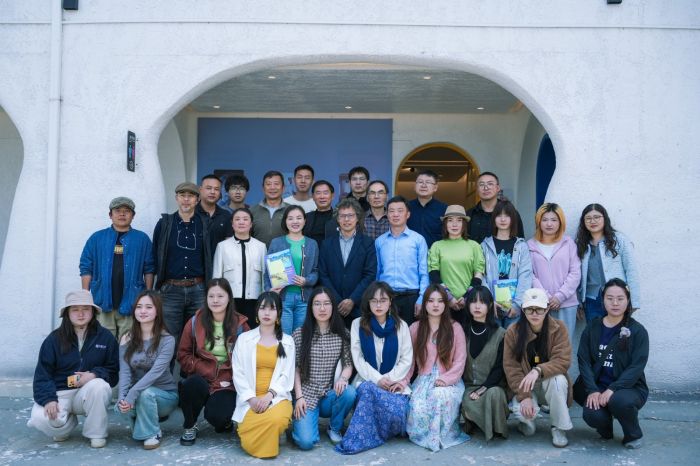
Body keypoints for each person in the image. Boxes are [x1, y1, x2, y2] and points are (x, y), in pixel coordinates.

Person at [27, 290, 118, 448]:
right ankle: (64, 426)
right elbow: (43, 375)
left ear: (93, 312)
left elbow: (113, 371)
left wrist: (94, 375)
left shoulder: (105, 337)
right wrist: (49, 399)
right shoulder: (54, 339)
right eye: (75, 309)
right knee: (39, 418)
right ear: (67, 313)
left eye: (86, 309)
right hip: (60, 393)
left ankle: (96, 434)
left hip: (88, 392)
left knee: (100, 386)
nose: (81, 314)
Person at [335, 281, 414, 454]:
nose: (378, 305)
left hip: (394, 383)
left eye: (383, 300)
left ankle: (375, 431)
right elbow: (358, 358)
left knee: (397, 411)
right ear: (368, 303)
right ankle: (363, 437)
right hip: (367, 381)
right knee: (368, 391)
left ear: (390, 302)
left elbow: (406, 359)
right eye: (374, 301)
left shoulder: (401, 325)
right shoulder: (357, 324)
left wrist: (388, 379)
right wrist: (378, 380)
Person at [576, 278, 649, 449]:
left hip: (629, 388)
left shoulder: (637, 331)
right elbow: (583, 360)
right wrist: (593, 390)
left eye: (620, 298)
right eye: (610, 298)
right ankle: (605, 428)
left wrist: (613, 389)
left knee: (619, 401)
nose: (615, 303)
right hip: (599, 386)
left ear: (628, 301)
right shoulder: (593, 327)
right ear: (603, 300)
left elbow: (637, 366)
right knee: (591, 413)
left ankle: (633, 435)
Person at [176, 278, 249, 445]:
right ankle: (190, 425)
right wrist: (201, 368)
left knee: (218, 417)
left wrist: (230, 377)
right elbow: (183, 354)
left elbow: (248, 359)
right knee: (190, 385)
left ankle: (225, 421)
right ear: (206, 298)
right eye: (211, 296)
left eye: (220, 296)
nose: (215, 300)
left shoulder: (240, 325)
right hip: (201, 376)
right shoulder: (195, 322)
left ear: (229, 298)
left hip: (227, 382)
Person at [503, 288, 573, 448]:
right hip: (525, 385)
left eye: (539, 309)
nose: (534, 314)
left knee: (558, 380)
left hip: (549, 382)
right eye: (530, 309)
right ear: (523, 310)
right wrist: (524, 397)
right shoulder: (513, 331)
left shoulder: (559, 328)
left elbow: (563, 360)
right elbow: (511, 368)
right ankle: (525, 422)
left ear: (547, 309)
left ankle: (559, 427)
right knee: (527, 424)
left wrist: (538, 370)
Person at [403, 284, 469, 451]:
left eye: (440, 301)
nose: (435, 305)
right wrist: (403, 382)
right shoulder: (415, 328)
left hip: (450, 380)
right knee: (418, 407)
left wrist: (446, 379)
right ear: (424, 303)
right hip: (423, 381)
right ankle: (426, 438)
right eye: (431, 301)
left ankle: (441, 437)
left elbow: (460, 360)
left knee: (440, 396)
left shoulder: (455, 328)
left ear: (446, 304)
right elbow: (408, 361)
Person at [79, 196, 155, 339]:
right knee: (103, 343)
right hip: (102, 301)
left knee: (128, 343)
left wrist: (148, 293)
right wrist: (85, 295)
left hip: (131, 301)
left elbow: (149, 268)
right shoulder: (97, 238)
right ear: (110, 215)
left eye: (126, 211)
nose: (122, 214)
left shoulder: (142, 239)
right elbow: (86, 266)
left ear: (133, 215)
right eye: (118, 211)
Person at [291, 287, 356, 449]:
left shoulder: (342, 334)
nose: (322, 308)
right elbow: (295, 370)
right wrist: (299, 397)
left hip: (329, 395)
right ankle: (300, 425)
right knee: (306, 442)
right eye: (317, 304)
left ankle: (334, 427)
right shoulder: (299, 334)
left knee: (349, 392)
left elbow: (348, 364)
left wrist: (343, 378)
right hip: (306, 396)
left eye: (327, 303)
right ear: (310, 307)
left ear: (333, 306)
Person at [232, 292, 295, 459]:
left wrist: (269, 396)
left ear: (279, 313)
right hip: (250, 399)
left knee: (276, 419)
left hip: (277, 397)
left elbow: (286, 375)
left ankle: (274, 431)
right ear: (257, 312)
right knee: (249, 431)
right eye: (263, 308)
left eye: (272, 309)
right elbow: (238, 373)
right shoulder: (244, 339)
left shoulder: (287, 341)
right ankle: (270, 434)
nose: (267, 313)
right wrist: (251, 398)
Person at [116, 291, 178, 450]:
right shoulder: (126, 338)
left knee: (146, 394)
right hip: (137, 394)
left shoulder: (167, 340)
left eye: (149, 307)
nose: (143, 311)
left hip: (164, 396)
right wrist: (122, 398)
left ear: (157, 311)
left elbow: (155, 373)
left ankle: (152, 433)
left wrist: (131, 394)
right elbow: (125, 372)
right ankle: (143, 425)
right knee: (120, 406)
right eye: (139, 307)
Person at [153, 182, 213, 343]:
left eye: (190, 196)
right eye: (182, 195)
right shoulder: (164, 224)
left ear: (197, 200)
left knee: (198, 337)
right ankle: (171, 362)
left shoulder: (205, 224)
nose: (186, 199)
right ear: (176, 198)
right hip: (170, 290)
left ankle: (193, 362)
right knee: (169, 338)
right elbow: (155, 254)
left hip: (198, 289)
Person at [575, 204, 640, 322]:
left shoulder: (619, 240)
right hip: (591, 300)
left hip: (616, 299)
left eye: (597, 217)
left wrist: (634, 301)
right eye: (588, 218)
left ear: (604, 218)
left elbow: (631, 270)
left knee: (618, 333)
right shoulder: (581, 244)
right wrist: (578, 302)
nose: (592, 221)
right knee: (595, 333)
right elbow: (576, 276)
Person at [319, 198, 377, 328]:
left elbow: (370, 274)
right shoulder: (327, 244)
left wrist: (352, 300)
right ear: (337, 219)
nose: (346, 219)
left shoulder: (368, 243)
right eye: (342, 216)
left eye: (350, 215)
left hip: (359, 306)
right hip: (333, 306)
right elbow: (323, 275)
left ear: (357, 218)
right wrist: (338, 301)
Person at [460, 286, 509, 441]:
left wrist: (484, 388)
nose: (477, 306)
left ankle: (485, 423)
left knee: (494, 395)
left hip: (492, 386)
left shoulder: (501, 333)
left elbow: (500, 367)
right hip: (468, 387)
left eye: (482, 302)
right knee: (465, 400)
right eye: (473, 302)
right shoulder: (462, 331)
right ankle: (475, 419)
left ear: (490, 305)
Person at [527, 203, 581, 343]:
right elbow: (530, 274)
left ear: (560, 222)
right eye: (545, 220)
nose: (549, 224)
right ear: (538, 222)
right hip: (540, 305)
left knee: (564, 345)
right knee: (542, 344)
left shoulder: (568, 243)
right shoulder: (530, 245)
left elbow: (575, 272)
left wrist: (559, 296)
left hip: (567, 303)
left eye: (554, 220)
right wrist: (545, 297)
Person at [265, 205, 319, 335]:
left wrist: (306, 280)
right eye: (290, 218)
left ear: (305, 221)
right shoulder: (276, 243)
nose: (295, 221)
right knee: (284, 336)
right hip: (283, 298)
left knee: (301, 337)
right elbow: (267, 272)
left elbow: (316, 271)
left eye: (299, 218)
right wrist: (269, 290)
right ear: (285, 221)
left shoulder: (312, 244)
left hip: (304, 298)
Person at [375, 196, 429, 325]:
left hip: (411, 297)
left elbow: (424, 272)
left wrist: (422, 299)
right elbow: (377, 272)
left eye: (400, 210)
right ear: (387, 214)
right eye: (391, 211)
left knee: (410, 335)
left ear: (408, 214)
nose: (395, 214)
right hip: (386, 297)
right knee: (386, 334)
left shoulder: (418, 240)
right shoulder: (379, 241)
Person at [428, 204, 484, 325]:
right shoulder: (437, 246)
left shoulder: (474, 246)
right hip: (442, 302)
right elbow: (433, 273)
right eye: (450, 220)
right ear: (445, 224)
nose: (454, 224)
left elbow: (479, 273)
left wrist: (467, 297)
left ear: (464, 224)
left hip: (469, 302)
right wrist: (449, 298)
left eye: (459, 220)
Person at [482, 200, 533, 328]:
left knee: (513, 339)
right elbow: (481, 275)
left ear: (513, 219)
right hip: (492, 305)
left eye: (507, 216)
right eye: (499, 215)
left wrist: (517, 304)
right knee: (493, 339)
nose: (503, 219)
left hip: (514, 306)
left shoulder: (521, 246)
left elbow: (525, 275)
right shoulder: (484, 246)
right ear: (494, 219)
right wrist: (489, 302)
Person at [212, 207, 267, 326]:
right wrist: (218, 298)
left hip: (254, 299)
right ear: (232, 224)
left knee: (252, 331)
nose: (241, 222)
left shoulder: (261, 247)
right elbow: (216, 276)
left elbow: (264, 276)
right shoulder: (222, 246)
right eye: (237, 219)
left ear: (251, 224)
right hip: (230, 299)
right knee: (230, 330)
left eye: (245, 219)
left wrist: (264, 299)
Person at [466, 172, 524, 243]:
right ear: (477, 189)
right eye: (481, 184)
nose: (486, 188)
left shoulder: (511, 213)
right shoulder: (469, 214)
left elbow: (519, 241)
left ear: (498, 188)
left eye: (490, 184)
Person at [407, 170, 448, 248]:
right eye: (420, 182)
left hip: (435, 253)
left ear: (435, 188)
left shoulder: (444, 209)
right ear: (415, 186)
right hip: (410, 251)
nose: (423, 185)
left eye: (428, 182)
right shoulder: (406, 207)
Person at [250, 170, 290, 247]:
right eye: (268, 184)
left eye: (276, 184)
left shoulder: (291, 210)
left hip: (284, 253)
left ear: (283, 188)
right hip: (258, 253)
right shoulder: (252, 211)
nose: (272, 187)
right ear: (263, 188)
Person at [196, 174, 234, 255]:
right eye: (208, 188)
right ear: (200, 190)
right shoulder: (190, 213)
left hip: (218, 261)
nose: (212, 192)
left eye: (216, 189)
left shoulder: (226, 215)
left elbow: (229, 246)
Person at [302, 180, 337, 247]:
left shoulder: (340, 217)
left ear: (332, 196)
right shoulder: (306, 218)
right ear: (313, 197)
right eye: (318, 193)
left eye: (325, 193)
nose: (322, 196)